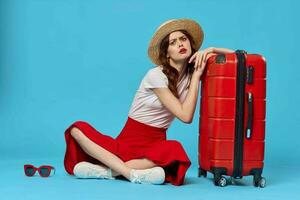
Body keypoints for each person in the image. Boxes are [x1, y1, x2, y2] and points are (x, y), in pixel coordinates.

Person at [63, 18, 234, 186]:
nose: (180, 44)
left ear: (190, 43)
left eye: (183, 39)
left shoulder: (194, 72)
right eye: (173, 42)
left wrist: (211, 49)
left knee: (175, 149)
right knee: (76, 130)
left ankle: (106, 171)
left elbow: (238, 59)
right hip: (128, 141)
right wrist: (197, 76)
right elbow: (185, 115)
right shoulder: (156, 75)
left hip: (154, 144)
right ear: (167, 53)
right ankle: (130, 173)